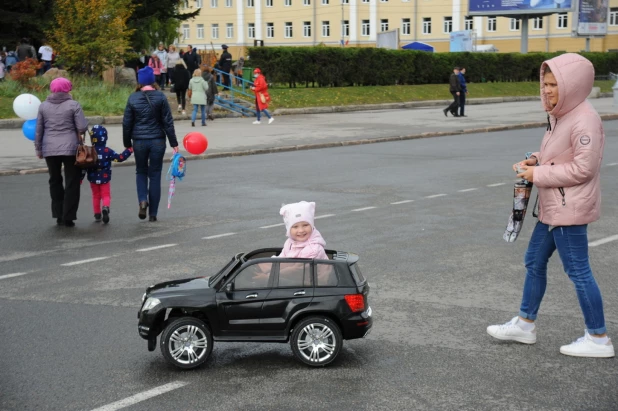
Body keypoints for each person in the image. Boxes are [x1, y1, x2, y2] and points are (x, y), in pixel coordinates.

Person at [487, 53, 614, 358]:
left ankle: (598, 338)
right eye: (544, 84)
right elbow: (562, 155)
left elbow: (584, 168)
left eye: (554, 84)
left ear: (572, 85)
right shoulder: (563, 114)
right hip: (553, 206)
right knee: (534, 261)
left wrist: (537, 173)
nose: (547, 90)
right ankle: (525, 324)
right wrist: (536, 159)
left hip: (568, 209)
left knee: (579, 272)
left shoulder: (585, 120)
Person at [122, 66, 179, 222]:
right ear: (152, 81)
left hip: (139, 141)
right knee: (154, 175)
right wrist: (174, 143)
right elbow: (168, 122)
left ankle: (142, 200)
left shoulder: (133, 98)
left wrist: (127, 143)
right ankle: (153, 214)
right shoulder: (160, 97)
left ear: (140, 82)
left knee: (141, 172)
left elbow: (127, 123)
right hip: (157, 141)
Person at [34, 77, 89, 227]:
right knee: (72, 181)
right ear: (67, 89)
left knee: (54, 180)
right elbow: (82, 127)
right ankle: (68, 216)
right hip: (70, 148)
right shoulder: (73, 105)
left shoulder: (43, 106)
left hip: (49, 148)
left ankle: (58, 214)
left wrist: (38, 149)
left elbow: (38, 130)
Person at [86, 125, 133, 224]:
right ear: (105, 138)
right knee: (106, 195)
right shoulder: (107, 151)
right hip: (105, 177)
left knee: (95, 195)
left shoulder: (90, 152)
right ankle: (105, 207)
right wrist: (129, 150)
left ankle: (97, 214)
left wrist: (81, 177)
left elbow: (84, 165)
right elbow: (120, 158)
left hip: (92, 177)